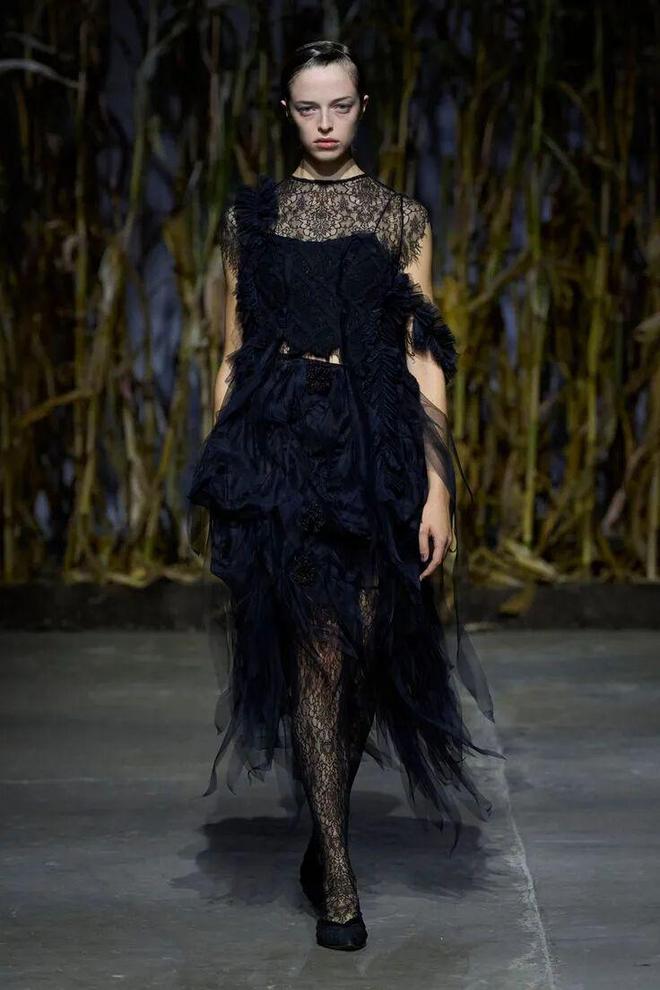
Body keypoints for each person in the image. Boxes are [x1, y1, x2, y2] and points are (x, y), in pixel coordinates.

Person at [186, 39, 502, 952]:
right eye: (307, 108)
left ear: (363, 107)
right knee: (318, 650)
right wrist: (227, 461)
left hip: (374, 439)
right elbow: (233, 348)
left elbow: (424, 356)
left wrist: (438, 484)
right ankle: (339, 879)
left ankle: (323, 836)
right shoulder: (251, 217)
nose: (324, 124)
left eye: (339, 106)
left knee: (363, 649)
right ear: (287, 113)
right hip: (280, 436)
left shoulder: (402, 218)